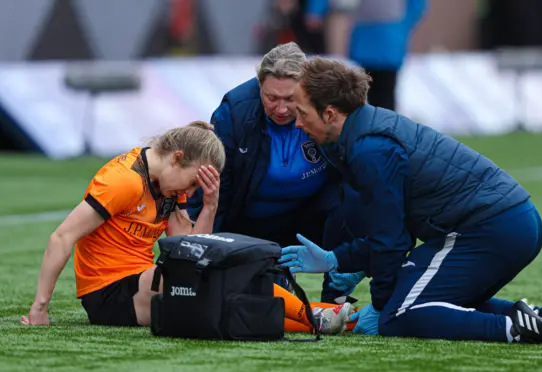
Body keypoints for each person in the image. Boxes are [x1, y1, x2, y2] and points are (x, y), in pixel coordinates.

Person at [278, 57, 542, 344]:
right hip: (506, 222)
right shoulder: (366, 134)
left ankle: (514, 329)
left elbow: (392, 240)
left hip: (491, 228)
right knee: (427, 302)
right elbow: (394, 235)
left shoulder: (370, 148)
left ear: (331, 114)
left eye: (303, 113)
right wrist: (335, 259)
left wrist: (382, 305)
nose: (297, 123)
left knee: (399, 315)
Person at [20, 120, 352, 334]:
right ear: (177, 157)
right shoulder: (123, 181)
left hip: (144, 279)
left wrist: (209, 205)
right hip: (108, 294)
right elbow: (61, 236)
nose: (190, 192)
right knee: (212, 288)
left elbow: (193, 249)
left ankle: (330, 317)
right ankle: (315, 317)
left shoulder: (169, 185)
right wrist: (40, 308)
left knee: (220, 297)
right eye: (193, 183)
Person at [186, 42, 368, 302]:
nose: (281, 110)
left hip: (311, 218)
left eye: (290, 99)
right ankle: (273, 273)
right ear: (259, 86)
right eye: (271, 98)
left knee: (356, 198)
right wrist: (198, 255)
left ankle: (335, 298)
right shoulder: (235, 113)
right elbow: (214, 187)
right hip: (250, 225)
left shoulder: (330, 107)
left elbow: (359, 175)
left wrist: (352, 256)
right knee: (261, 298)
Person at [304, 0, 426, 110]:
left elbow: (417, 6)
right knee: (370, 97)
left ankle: (381, 131)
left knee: (379, 95)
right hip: (374, 41)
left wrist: (315, 10)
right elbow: (417, 7)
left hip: (383, 41)